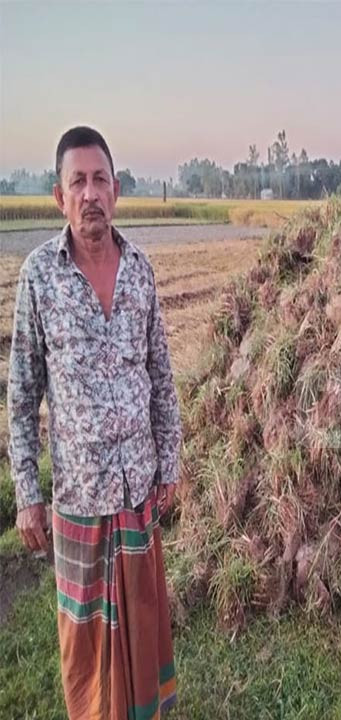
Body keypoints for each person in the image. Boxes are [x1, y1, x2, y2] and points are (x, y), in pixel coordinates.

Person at [9, 126, 181, 718]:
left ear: (117, 190)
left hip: (138, 489)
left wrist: (171, 463)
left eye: (100, 180)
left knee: (143, 623)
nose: (91, 193)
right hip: (79, 497)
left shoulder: (140, 272)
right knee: (86, 646)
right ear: (59, 196)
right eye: (77, 181)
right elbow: (23, 393)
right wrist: (28, 494)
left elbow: (160, 375)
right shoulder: (39, 277)